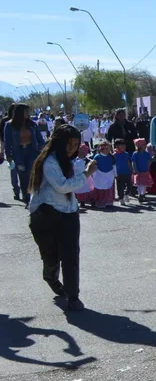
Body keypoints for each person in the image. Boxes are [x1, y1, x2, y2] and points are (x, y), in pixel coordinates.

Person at [27, 124, 97, 311]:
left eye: (75, 145)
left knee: (70, 255)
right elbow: (62, 186)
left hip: (69, 213)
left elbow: (72, 186)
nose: (72, 149)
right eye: (69, 144)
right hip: (45, 214)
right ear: (59, 142)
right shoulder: (49, 162)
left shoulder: (69, 160)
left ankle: (73, 297)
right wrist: (87, 173)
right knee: (51, 257)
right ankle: (50, 275)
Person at [3, 103, 45, 205]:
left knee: (31, 174)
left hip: (32, 151)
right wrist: (8, 155)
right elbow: (7, 141)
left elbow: (40, 139)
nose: (28, 113)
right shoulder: (10, 125)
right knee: (23, 176)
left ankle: (31, 197)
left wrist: (43, 148)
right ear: (19, 112)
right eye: (26, 111)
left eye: (28, 111)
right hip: (18, 153)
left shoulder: (32, 124)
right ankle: (26, 197)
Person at [89, 140, 116, 210]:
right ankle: (100, 202)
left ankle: (109, 202)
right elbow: (93, 165)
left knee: (109, 188)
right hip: (99, 174)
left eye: (108, 148)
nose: (107, 150)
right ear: (101, 148)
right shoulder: (97, 156)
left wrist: (115, 173)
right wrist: (93, 173)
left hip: (109, 174)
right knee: (100, 188)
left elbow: (114, 166)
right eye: (105, 148)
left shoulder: (111, 157)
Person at [72, 143, 95, 207]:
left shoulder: (88, 160)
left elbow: (92, 167)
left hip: (86, 177)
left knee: (88, 189)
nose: (81, 153)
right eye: (79, 152)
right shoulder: (74, 160)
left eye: (83, 152)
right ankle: (82, 202)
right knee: (80, 189)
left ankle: (92, 201)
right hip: (77, 176)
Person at [130, 138, 153, 204]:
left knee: (145, 184)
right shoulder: (136, 154)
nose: (145, 145)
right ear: (139, 146)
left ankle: (143, 194)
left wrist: (148, 166)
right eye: (143, 144)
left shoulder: (146, 153)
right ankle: (140, 195)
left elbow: (150, 160)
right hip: (139, 172)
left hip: (145, 171)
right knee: (140, 184)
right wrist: (135, 169)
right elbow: (133, 162)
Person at [112, 139, 133, 205]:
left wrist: (131, 169)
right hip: (119, 174)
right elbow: (113, 165)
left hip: (127, 173)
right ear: (117, 146)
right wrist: (114, 174)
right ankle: (121, 198)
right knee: (120, 187)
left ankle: (126, 194)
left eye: (124, 146)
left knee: (130, 185)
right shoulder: (114, 155)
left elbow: (128, 162)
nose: (124, 147)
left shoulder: (126, 154)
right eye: (122, 146)